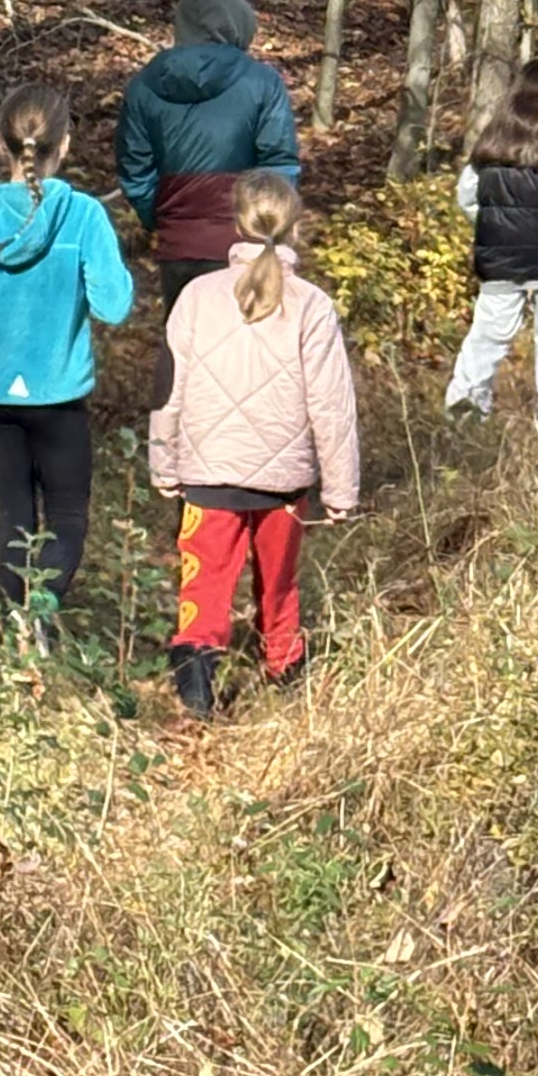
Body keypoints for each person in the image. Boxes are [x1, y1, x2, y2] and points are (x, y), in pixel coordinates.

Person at [0, 80, 137, 646]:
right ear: (64, 145)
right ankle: (40, 616)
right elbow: (114, 306)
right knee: (67, 516)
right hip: (57, 394)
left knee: (14, 515)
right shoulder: (84, 216)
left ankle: (11, 635)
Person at [150, 170, 360, 716]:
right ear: (295, 227)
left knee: (204, 586)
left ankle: (196, 687)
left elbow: (169, 390)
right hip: (283, 482)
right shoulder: (312, 304)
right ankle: (285, 671)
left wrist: (164, 463)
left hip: (208, 475)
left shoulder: (197, 296)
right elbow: (331, 406)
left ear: (236, 224)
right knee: (280, 585)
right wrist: (341, 489)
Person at [115, 0, 303, 323]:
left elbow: (135, 171)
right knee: (246, 347)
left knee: (184, 345)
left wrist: (162, 217)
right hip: (247, 243)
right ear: (237, 20)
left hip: (178, 246)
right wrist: (267, 226)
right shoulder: (263, 83)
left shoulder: (144, 86)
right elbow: (279, 165)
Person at [446, 59, 538, 431]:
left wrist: (495, 225)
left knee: (486, 338)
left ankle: (464, 417)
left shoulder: (489, 149)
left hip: (498, 258)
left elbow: (467, 198)